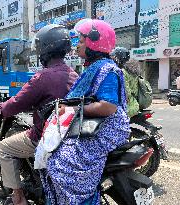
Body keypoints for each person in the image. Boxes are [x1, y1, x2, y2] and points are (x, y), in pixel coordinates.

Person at [40, 19, 130, 204]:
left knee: (61, 163)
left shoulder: (107, 69)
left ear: (94, 42)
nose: (77, 45)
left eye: (81, 41)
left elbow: (108, 106)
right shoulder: (93, 68)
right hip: (95, 125)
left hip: (108, 129)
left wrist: (73, 109)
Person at [0, 24, 78, 205]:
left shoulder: (42, 77)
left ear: (44, 49)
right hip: (71, 134)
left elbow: (15, 104)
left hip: (47, 137)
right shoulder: (74, 74)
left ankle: (18, 198)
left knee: (4, 147)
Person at [110, 47, 141, 118]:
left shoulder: (122, 72)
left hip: (127, 107)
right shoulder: (131, 72)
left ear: (119, 58)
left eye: (114, 57)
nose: (112, 60)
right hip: (133, 104)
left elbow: (125, 93)